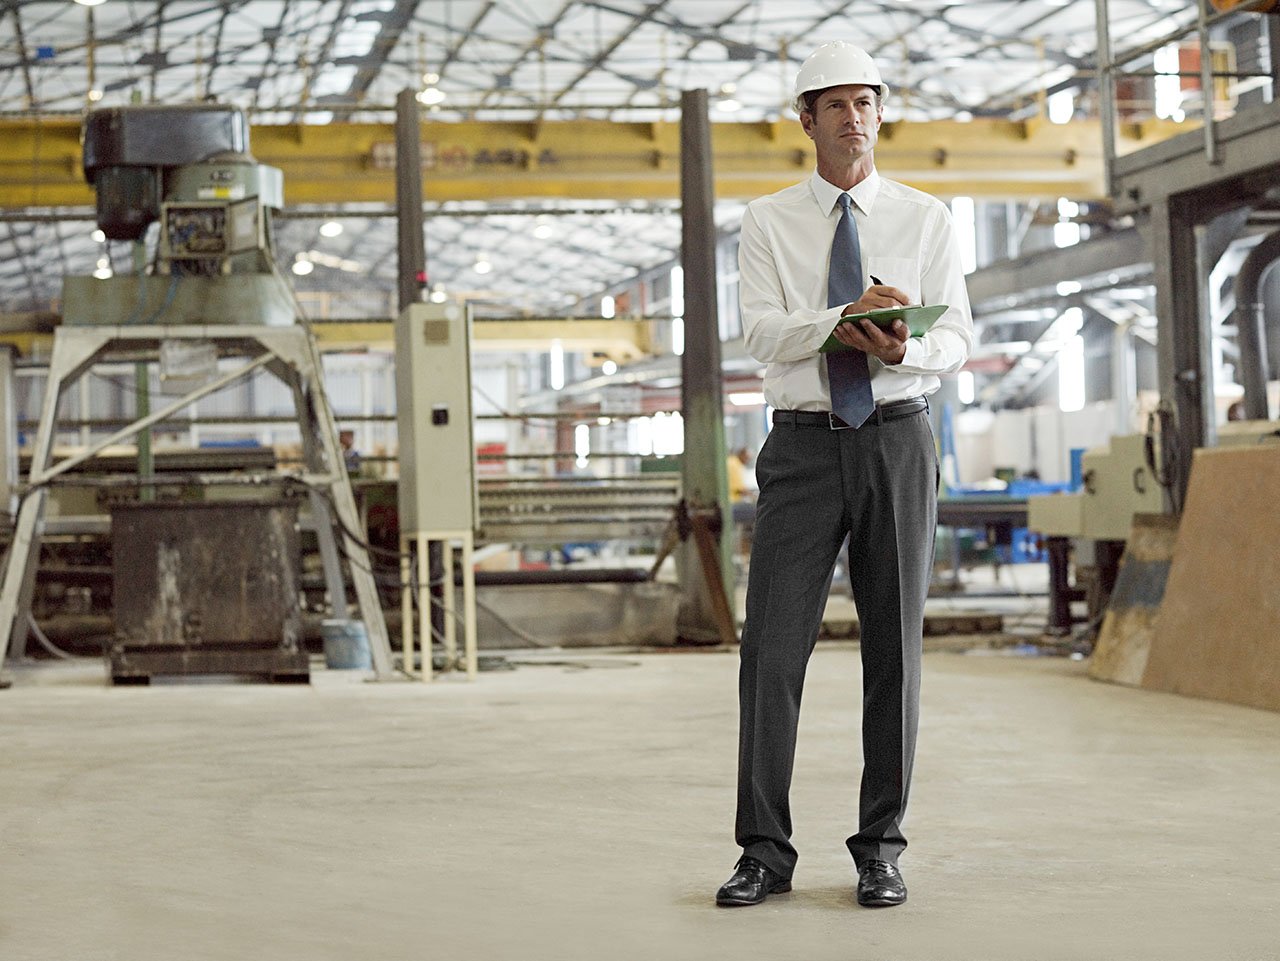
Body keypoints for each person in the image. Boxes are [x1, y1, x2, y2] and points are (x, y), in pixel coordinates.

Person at [715, 41, 973, 909]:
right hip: (802, 447)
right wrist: (842, 320)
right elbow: (760, 334)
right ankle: (763, 850)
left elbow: (958, 340)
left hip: (898, 436)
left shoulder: (926, 217)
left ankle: (880, 848)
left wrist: (908, 343)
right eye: (836, 105)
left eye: (866, 103)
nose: (854, 119)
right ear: (807, 120)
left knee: (894, 650)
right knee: (770, 650)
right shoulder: (768, 221)